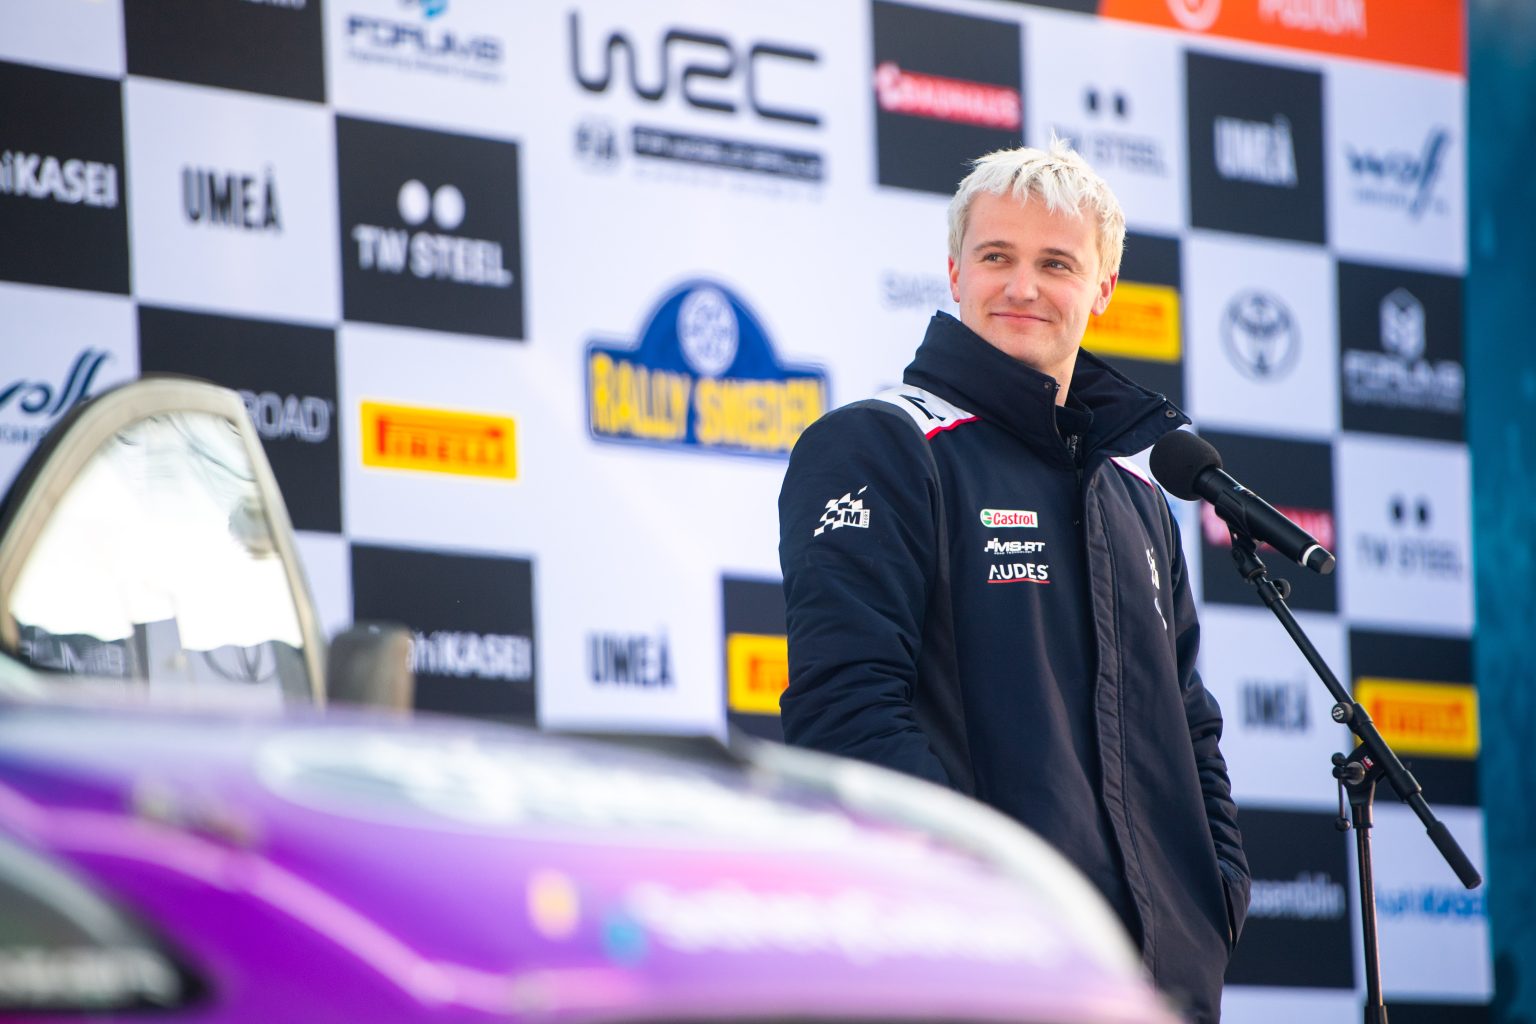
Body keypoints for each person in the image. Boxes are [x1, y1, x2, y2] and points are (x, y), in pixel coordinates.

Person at [777, 140, 1249, 1023]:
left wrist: (1210, 902)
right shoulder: (880, 444)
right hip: (979, 976)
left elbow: (1191, 728)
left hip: (1158, 988)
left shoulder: (1139, 493)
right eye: (997, 256)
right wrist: (974, 907)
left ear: (1102, 289)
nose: (1022, 287)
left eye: (1056, 264)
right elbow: (845, 714)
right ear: (956, 272)